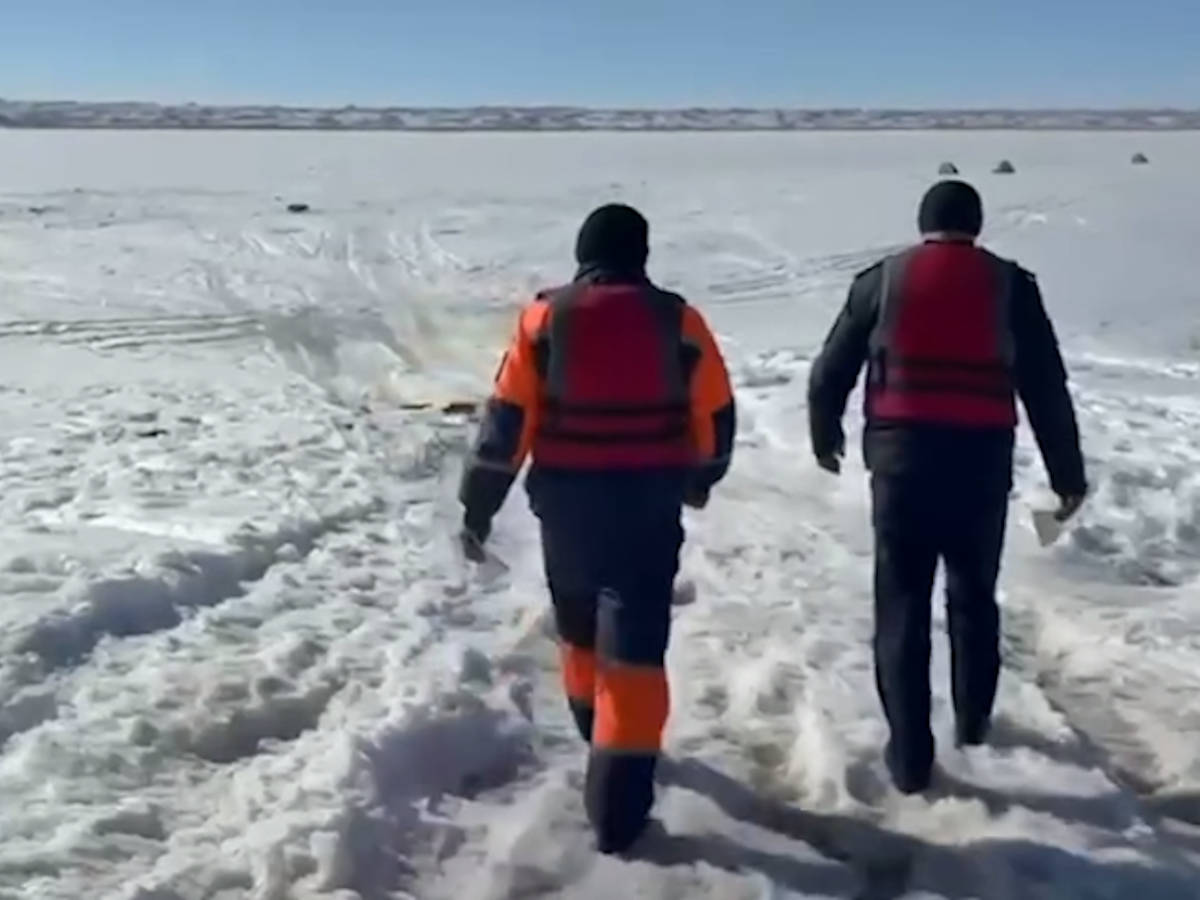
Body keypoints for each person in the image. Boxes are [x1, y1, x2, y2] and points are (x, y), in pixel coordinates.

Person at [458, 203, 736, 851]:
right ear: (641, 255)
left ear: (584, 255)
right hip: (646, 510)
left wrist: (478, 503)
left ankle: (595, 735)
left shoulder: (544, 320)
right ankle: (617, 810)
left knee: (579, 629)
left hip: (567, 512)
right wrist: (700, 480)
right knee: (635, 654)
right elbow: (716, 414)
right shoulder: (680, 321)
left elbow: (505, 424)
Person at [807, 180, 1087, 793]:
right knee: (973, 595)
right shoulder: (1012, 285)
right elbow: (1045, 387)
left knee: (902, 602)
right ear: (978, 225)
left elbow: (830, 369)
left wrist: (823, 433)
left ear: (922, 223)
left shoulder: (881, 281)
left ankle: (909, 758)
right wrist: (1068, 476)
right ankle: (974, 724)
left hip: (901, 463)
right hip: (980, 463)